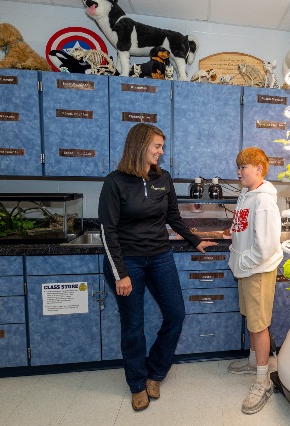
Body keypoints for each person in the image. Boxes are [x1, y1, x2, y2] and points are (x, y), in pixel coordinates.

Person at [99, 123, 217, 411]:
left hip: (160, 257)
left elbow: (174, 217)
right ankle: (137, 384)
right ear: (140, 146)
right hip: (128, 261)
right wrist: (121, 273)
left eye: (162, 147)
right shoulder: (115, 182)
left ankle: (156, 372)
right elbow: (107, 231)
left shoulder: (163, 178)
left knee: (176, 314)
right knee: (133, 325)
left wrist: (195, 241)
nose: (162, 152)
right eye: (157, 147)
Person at [227, 147, 283, 414]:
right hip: (246, 269)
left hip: (257, 270)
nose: (239, 173)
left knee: (259, 325)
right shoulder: (247, 194)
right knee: (251, 317)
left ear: (259, 169)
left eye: (243, 168)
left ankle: (263, 381)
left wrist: (245, 262)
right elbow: (240, 231)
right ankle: (253, 362)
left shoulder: (264, 201)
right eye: (238, 168)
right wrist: (236, 257)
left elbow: (268, 246)